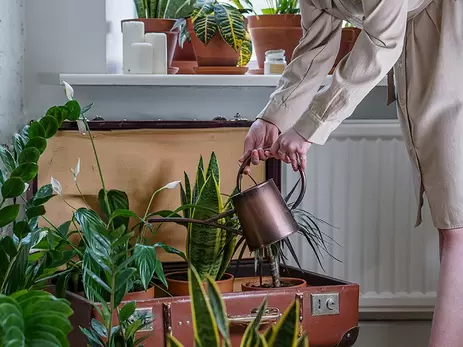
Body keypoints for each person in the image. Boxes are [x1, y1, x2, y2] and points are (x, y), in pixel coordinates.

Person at [240, 0, 462, 346]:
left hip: (451, 34)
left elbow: (383, 41)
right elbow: (315, 45)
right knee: (451, 223)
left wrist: (310, 127)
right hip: (420, 39)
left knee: (456, 227)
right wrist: (272, 119)